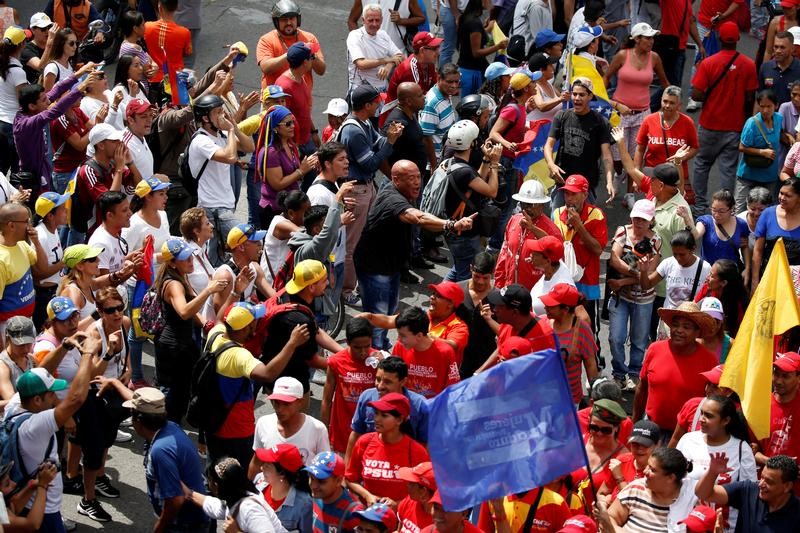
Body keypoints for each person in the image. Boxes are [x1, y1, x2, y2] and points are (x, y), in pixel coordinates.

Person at [353, 160, 473, 348]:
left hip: (392, 266)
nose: (417, 182)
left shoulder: (405, 192)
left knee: (390, 311)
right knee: (378, 313)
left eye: (418, 176)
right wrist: (450, 224)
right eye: (411, 178)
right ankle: (375, 354)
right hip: (375, 268)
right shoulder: (392, 199)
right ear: (396, 180)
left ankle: (382, 344)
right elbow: (417, 217)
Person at [10, 332, 100, 532]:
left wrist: (65, 346)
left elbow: (39, 373)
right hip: (43, 508)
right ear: (37, 400)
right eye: (51, 394)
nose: (55, 397)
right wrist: (87, 354)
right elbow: (76, 398)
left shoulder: (17, 402)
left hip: (25, 497)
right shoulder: (36, 425)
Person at [207, 301, 310, 469]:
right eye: (253, 320)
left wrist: (235, 292)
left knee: (217, 470)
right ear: (245, 328)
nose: (258, 322)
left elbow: (218, 320)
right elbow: (268, 373)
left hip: (213, 421)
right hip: (236, 429)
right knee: (240, 475)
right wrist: (292, 344)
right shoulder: (239, 356)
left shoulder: (215, 335)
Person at [339, 84, 404, 302]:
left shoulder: (365, 122)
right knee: (352, 243)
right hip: (356, 190)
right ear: (366, 105)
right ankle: (347, 290)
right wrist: (391, 142)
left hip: (367, 188)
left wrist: (389, 138)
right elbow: (370, 164)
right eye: (376, 102)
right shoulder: (353, 130)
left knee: (367, 238)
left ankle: (360, 281)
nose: (380, 105)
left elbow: (378, 143)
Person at [153, 237, 227, 421]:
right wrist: (208, 291)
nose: (190, 260)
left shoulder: (181, 277)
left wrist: (209, 326)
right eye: (185, 258)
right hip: (174, 347)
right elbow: (184, 311)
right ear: (171, 263)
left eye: (190, 256)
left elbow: (193, 312)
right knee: (173, 396)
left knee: (186, 389)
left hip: (183, 344)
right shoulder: (174, 284)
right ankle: (161, 433)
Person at [690, 21, 758, 216]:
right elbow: (750, 97)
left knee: (702, 164)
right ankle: (725, 209)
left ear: (719, 38)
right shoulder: (748, 65)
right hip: (735, 126)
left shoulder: (709, 63)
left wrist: (712, 95)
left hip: (709, 124)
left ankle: (700, 206)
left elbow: (696, 94)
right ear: (738, 39)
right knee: (728, 170)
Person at [126, 387, 213, 531]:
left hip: (184, 524)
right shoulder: (170, 427)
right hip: (197, 516)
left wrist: (160, 527)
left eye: (131, 415)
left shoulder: (161, 451)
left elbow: (176, 499)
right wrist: (114, 383)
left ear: (138, 421)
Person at [632, 301, 719, 438]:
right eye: (675, 325)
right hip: (650, 428)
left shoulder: (709, 360)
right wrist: (635, 423)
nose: (679, 330)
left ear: (697, 332)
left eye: (686, 327)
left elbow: (713, 402)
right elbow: (642, 388)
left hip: (686, 435)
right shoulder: (655, 349)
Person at [189, 93, 255, 266]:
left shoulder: (222, 135)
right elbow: (230, 156)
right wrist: (231, 131)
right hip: (212, 206)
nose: (222, 115)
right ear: (205, 117)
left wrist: (234, 127)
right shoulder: (201, 140)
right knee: (246, 239)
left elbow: (250, 147)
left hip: (225, 203)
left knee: (215, 256)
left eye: (222, 111)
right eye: (217, 112)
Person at [676, 394, 757, 531]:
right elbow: (672, 479)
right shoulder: (688, 440)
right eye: (701, 413)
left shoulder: (742, 449)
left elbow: (749, 493)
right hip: (685, 524)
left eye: (709, 416)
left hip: (724, 527)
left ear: (725, 420)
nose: (701, 419)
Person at [13, 65, 98, 195]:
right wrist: (80, 88)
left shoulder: (32, 109)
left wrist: (80, 73)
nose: (49, 101)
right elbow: (55, 110)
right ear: (32, 106)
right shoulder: (26, 124)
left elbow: (56, 90)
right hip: (35, 178)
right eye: (44, 100)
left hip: (46, 169)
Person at [261, 260, 339, 395]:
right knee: (297, 415)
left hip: (276, 369)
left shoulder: (293, 294)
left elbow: (315, 330)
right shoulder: (299, 320)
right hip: (287, 382)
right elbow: (312, 359)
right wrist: (344, 364)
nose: (327, 284)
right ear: (311, 287)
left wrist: (343, 352)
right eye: (324, 280)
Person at [608, 199, 661, 391]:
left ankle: (634, 373)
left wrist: (625, 279)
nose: (639, 223)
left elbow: (650, 275)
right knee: (616, 337)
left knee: (639, 340)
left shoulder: (655, 241)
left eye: (643, 220)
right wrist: (636, 274)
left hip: (644, 298)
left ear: (651, 221)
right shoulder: (622, 232)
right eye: (636, 218)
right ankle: (619, 373)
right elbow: (614, 259)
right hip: (621, 296)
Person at [552, 174, 608, 343]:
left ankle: (594, 362)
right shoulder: (557, 213)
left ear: (585, 195)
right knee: (561, 328)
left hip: (587, 282)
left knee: (588, 332)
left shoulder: (596, 215)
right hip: (561, 281)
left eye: (574, 194)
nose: (569, 199)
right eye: (566, 194)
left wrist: (579, 226)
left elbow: (598, 250)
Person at [442, 120, 501, 281]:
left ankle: (439, 294)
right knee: (466, 276)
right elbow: (492, 191)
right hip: (464, 233)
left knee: (459, 268)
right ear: (473, 143)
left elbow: (477, 181)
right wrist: (495, 164)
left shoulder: (451, 164)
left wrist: (486, 160)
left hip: (454, 228)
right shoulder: (465, 171)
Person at [346, 393, 430, 506]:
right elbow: (350, 479)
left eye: (384, 415)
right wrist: (367, 496)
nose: (376, 419)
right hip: (366, 517)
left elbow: (425, 493)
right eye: (376, 413)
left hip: (399, 520)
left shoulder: (416, 451)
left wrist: (397, 505)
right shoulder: (364, 442)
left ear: (399, 420)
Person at [346, 356, 431, 463]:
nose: (380, 386)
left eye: (387, 382)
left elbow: (425, 444)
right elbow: (356, 434)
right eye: (377, 379)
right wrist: (347, 471)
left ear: (403, 381)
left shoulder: (420, 405)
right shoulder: (366, 397)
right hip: (371, 467)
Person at [545, 77, 615, 206]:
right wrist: (551, 164)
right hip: (563, 184)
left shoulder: (601, 122)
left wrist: (610, 181)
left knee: (584, 224)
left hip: (585, 187)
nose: (577, 98)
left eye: (582, 95)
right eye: (574, 94)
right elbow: (549, 145)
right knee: (557, 223)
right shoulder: (561, 116)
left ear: (590, 96)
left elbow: (606, 155)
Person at [595, 447, 698, 532]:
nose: (645, 471)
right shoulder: (636, 489)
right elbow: (611, 518)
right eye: (648, 466)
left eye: (652, 470)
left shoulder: (690, 500)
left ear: (671, 478)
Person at [694, 454, 799, 533]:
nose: (761, 484)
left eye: (769, 482)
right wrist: (712, 472)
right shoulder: (748, 490)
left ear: (787, 486)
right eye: (761, 477)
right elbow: (703, 494)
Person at [250, 376, 330, 478]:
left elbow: (324, 468)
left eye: (286, 404)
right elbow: (256, 463)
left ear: (300, 402)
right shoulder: (263, 423)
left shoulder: (318, 428)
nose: (280, 409)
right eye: (276, 402)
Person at [72, 126, 142, 242]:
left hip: (114, 230)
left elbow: (140, 186)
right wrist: (119, 168)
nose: (120, 144)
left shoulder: (112, 165)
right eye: (115, 141)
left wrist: (130, 162)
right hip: (96, 234)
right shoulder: (88, 170)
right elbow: (109, 202)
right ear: (101, 145)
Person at [321, 318, 380, 453]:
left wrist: (384, 366)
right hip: (341, 435)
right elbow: (326, 400)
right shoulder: (336, 362)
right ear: (347, 342)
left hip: (370, 434)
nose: (363, 352)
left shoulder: (378, 361)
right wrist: (323, 432)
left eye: (367, 346)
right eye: (357, 347)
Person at [182, 456, 286, 533]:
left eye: (209, 480)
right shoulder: (237, 497)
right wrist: (189, 494)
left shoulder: (250, 509)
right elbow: (216, 506)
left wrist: (236, 532)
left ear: (216, 485)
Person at [635, 86, 699, 208]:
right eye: (665, 101)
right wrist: (636, 173)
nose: (667, 106)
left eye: (672, 103)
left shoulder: (688, 123)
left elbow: (695, 148)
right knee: (651, 211)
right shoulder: (649, 120)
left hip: (676, 177)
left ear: (679, 105)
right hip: (653, 176)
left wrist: (682, 157)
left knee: (676, 211)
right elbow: (640, 148)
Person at [475, 284, 558, 372]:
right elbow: (502, 348)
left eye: (500, 306)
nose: (494, 309)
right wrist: (479, 372)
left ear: (515, 312)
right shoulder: (507, 323)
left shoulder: (545, 339)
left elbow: (547, 375)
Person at [494, 180, 560, 290]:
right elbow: (504, 254)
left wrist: (533, 228)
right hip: (510, 289)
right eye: (524, 204)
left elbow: (557, 263)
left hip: (536, 294)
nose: (527, 208)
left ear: (541, 205)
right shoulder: (514, 221)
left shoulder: (552, 230)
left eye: (531, 204)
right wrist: (498, 285)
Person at [0, 202, 51, 332]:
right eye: (26, 221)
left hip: (27, 320)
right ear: (11, 225)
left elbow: (43, 267)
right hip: (9, 328)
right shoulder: (1, 260)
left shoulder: (21, 244)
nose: (30, 226)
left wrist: (37, 243)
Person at [569, 398, 629, 506]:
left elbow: (622, 494)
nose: (599, 433)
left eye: (606, 430)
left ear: (616, 428)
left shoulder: (623, 457)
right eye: (594, 427)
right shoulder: (577, 443)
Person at [390, 306, 459, 398]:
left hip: (433, 408)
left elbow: (453, 388)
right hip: (406, 406)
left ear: (419, 336)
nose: (398, 339)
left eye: (402, 335)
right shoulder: (399, 347)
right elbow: (392, 376)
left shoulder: (445, 352)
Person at [257, 0, 325, 89]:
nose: (289, 23)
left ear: (298, 19)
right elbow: (266, 68)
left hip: (301, 98)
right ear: (276, 22)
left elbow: (321, 70)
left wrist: (313, 56)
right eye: (284, 20)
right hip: (275, 99)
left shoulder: (309, 38)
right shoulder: (266, 40)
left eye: (292, 18)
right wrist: (291, 54)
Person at [640, 230, 711, 316]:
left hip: (691, 322)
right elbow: (646, 286)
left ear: (693, 249)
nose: (678, 258)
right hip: (668, 320)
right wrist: (643, 272)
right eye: (675, 254)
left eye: (682, 254)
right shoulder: (668, 263)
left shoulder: (705, 268)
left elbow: (709, 297)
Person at [736, 89, 783, 213]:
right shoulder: (752, 123)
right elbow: (742, 147)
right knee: (740, 209)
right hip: (748, 174)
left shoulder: (778, 119)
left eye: (769, 106)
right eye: (762, 106)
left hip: (769, 175)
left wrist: (788, 137)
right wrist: (762, 152)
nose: (765, 110)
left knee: (767, 210)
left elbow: (780, 134)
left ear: (776, 106)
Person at [690, 190, 751, 283]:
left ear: (732, 209)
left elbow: (745, 246)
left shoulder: (741, 225)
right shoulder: (706, 221)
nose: (717, 215)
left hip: (731, 277)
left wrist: (747, 268)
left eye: (721, 211)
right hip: (708, 277)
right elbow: (696, 235)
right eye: (714, 210)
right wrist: (687, 219)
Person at [751, 177, 800, 292]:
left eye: (788, 195)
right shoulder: (768, 214)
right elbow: (758, 251)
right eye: (781, 193)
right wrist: (755, 282)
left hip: (796, 283)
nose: (782, 198)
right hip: (769, 277)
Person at [276, 43, 322, 162]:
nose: (313, 60)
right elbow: (280, 121)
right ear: (305, 62)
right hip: (295, 145)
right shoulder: (284, 87)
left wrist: (313, 131)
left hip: (306, 140)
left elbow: (303, 110)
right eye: (311, 57)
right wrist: (292, 147)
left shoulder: (300, 77)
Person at [253, 443, 313, 533]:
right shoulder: (258, 482)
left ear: (282, 474)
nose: (262, 468)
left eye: (267, 466)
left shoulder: (304, 505)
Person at [755, 352, 800, 469]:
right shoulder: (760, 405)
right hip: (765, 482)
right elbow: (750, 450)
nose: (778, 381)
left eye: (785, 376)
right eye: (776, 374)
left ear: (798, 378)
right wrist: (774, 464)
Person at [346, 4, 403, 93]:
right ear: (363, 20)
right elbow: (361, 64)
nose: (374, 24)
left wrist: (389, 66)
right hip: (361, 90)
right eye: (370, 20)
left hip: (382, 89)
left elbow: (400, 56)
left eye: (377, 20)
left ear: (382, 20)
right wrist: (385, 60)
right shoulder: (355, 36)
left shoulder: (383, 35)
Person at [143, 0, 191, 101]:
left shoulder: (147, 27)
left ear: (160, 7)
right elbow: (187, 52)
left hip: (154, 80)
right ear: (177, 7)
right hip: (176, 80)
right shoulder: (184, 32)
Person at [32, 192, 69, 327]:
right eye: (62, 208)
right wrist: (64, 261)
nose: (66, 210)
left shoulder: (53, 229)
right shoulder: (41, 236)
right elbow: (38, 274)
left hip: (55, 290)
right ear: (50, 216)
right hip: (44, 296)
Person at [305, 451, 363, 533]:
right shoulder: (317, 496)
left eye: (321, 481)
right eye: (311, 478)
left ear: (338, 481)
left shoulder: (353, 513)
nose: (313, 485)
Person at [457, 0, 506, 96]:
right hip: (472, 72)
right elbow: (476, 52)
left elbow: (474, 36)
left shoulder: (468, 18)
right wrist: (498, 46)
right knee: (471, 105)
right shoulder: (475, 23)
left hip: (466, 68)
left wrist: (487, 28)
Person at [420, 64, 460, 170]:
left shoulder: (446, 94)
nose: (454, 86)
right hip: (437, 162)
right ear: (439, 79)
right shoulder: (432, 104)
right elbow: (426, 138)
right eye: (450, 82)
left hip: (446, 157)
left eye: (456, 82)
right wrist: (434, 165)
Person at [0, 26, 28, 175]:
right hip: (13, 127)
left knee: (1, 170)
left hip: (1, 124)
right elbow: (23, 103)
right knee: (17, 171)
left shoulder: (3, 65)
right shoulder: (18, 72)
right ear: (21, 45)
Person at [387, 32, 442, 102]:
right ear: (422, 51)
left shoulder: (429, 62)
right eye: (434, 49)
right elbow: (419, 100)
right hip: (396, 111)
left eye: (438, 47)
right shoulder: (409, 70)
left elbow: (436, 86)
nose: (438, 52)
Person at [528, 236, 576, 315]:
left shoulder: (563, 286)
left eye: (535, 254)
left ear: (548, 261)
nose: (531, 255)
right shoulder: (556, 264)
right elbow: (552, 245)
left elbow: (580, 317)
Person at [609, 420, 660, 492]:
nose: (639, 449)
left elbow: (633, 501)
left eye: (645, 445)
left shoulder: (658, 472)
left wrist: (619, 478)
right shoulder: (621, 461)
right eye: (635, 444)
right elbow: (602, 493)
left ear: (657, 445)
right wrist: (602, 501)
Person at [0, 316, 36, 409]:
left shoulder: (31, 359)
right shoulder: (3, 367)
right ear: (9, 339)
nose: (25, 349)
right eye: (20, 344)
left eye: (28, 343)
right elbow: (13, 402)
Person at [759, 31, 800, 106]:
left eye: (782, 47)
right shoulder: (765, 68)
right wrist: (755, 117)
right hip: (769, 117)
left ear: (792, 49)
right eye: (776, 47)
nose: (778, 51)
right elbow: (759, 98)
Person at [527, 53, 570, 122]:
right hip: (536, 130)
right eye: (550, 65)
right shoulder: (535, 87)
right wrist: (560, 99)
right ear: (541, 70)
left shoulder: (550, 85)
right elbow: (541, 106)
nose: (553, 68)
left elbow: (564, 99)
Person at [396, 462, 436, 533]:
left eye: (411, 483)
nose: (407, 485)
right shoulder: (408, 502)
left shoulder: (441, 523)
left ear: (423, 492)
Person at [20, 13, 56, 85]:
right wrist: (49, 44)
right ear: (33, 30)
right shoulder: (27, 49)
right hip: (36, 91)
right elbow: (40, 66)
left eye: (49, 27)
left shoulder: (53, 45)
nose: (47, 31)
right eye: (43, 29)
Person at [39, 27, 76, 92]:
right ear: (61, 44)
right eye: (71, 43)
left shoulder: (70, 65)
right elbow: (47, 97)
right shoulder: (52, 67)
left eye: (76, 43)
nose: (75, 46)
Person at [737, 187, 772, 256]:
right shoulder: (738, 220)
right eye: (752, 209)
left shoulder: (774, 221)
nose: (756, 213)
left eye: (761, 210)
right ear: (747, 206)